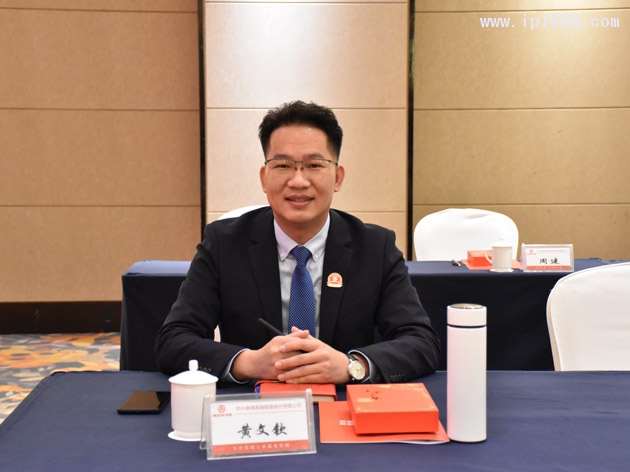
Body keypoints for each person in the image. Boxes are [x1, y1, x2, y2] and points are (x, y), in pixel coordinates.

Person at [155, 100, 439, 385]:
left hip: (345, 401)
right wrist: (250, 363)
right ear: (264, 178)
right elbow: (173, 340)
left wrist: (352, 365)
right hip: (254, 403)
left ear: (338, 177)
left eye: (314, 165)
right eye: (283, 165)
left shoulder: (375, 247)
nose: (298, 181)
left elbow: (421, 341)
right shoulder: (223, 244)